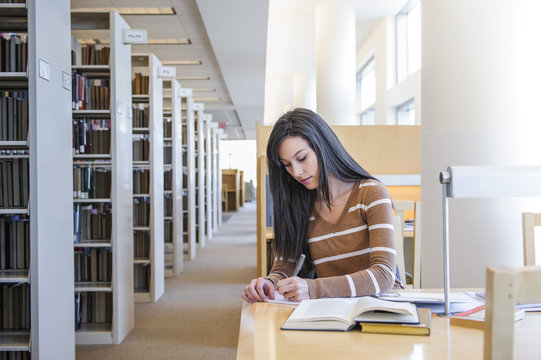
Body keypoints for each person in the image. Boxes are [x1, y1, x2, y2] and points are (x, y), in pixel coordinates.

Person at [242, 108, 402, 303]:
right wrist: (268, 284)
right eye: (287, 165)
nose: (297, 172)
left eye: (302, 158)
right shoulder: (299, 203)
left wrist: (314, 288)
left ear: (322, 146)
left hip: (380, 307)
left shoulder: (371, 192)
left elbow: (384, 275)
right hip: (332, 310)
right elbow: (284, 267)